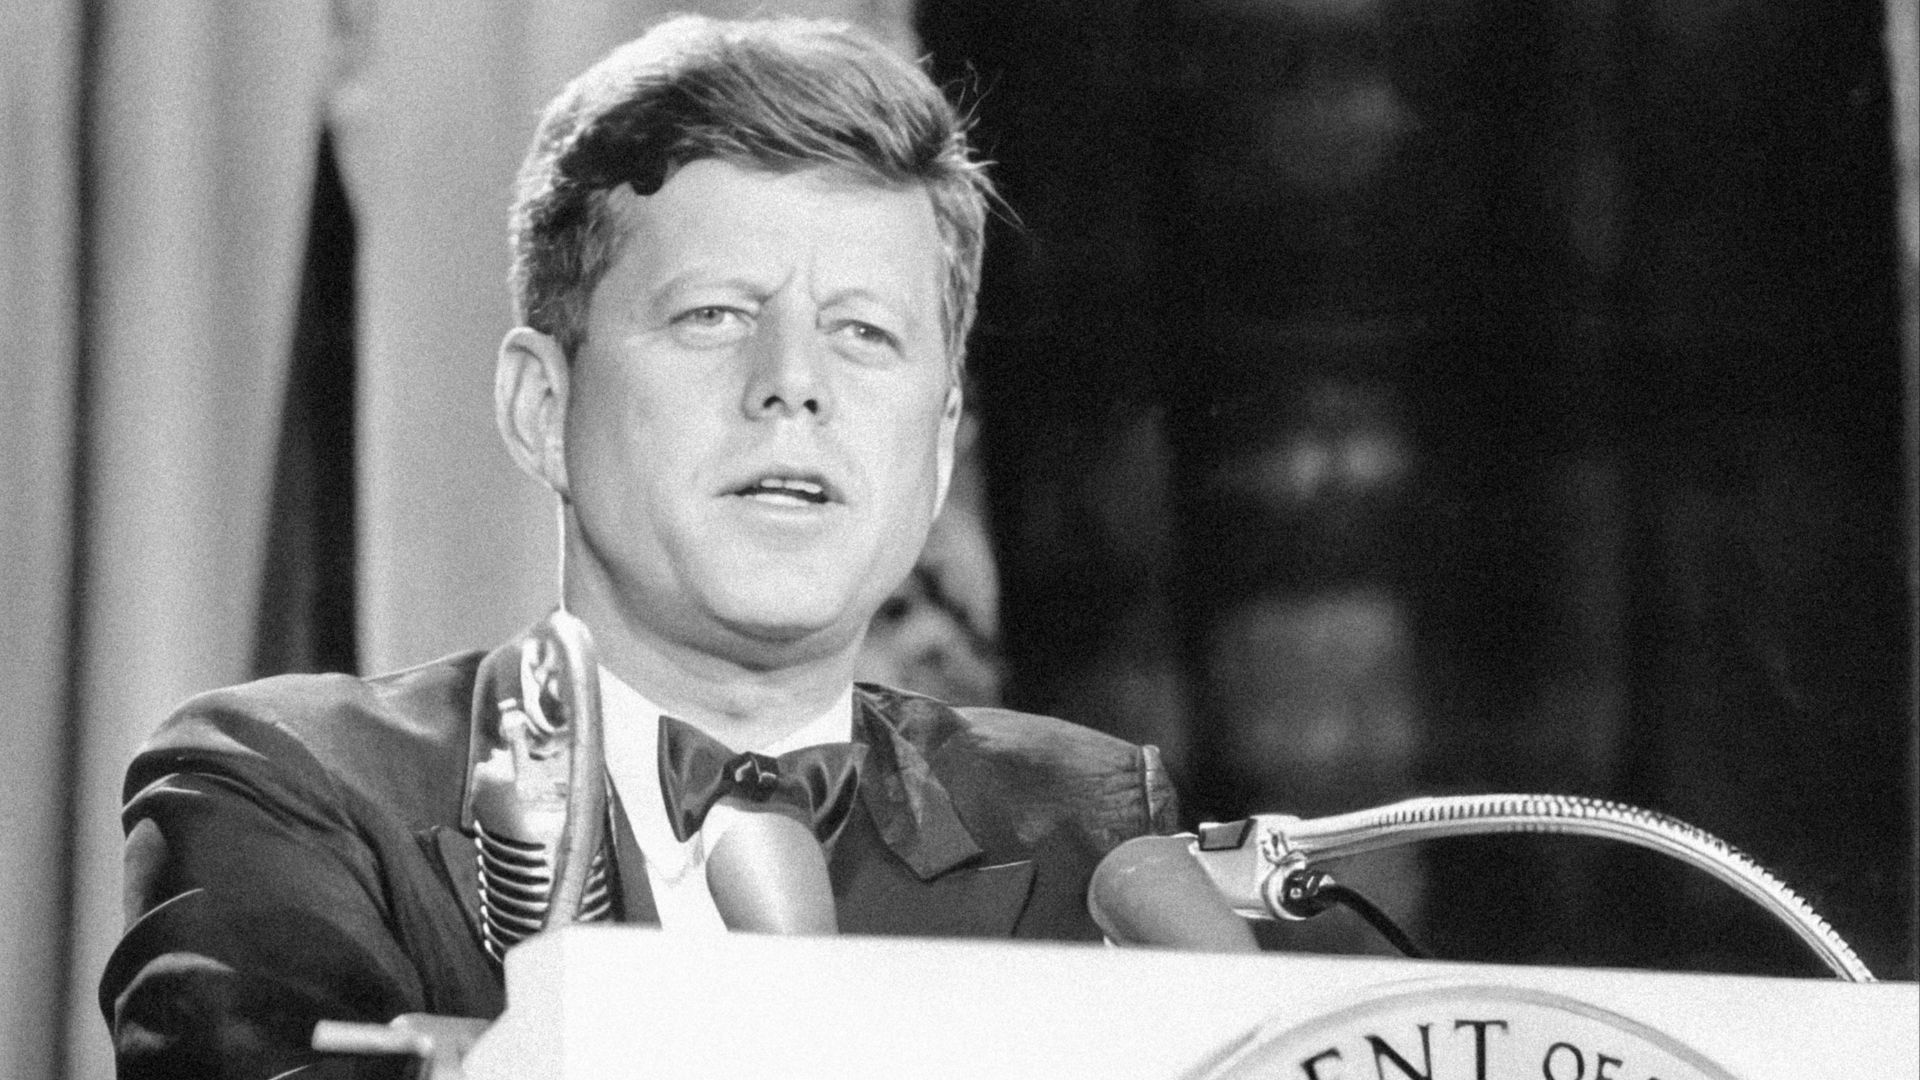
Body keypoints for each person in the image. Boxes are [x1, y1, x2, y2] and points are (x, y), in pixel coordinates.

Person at [99, 15, 1177, 1079]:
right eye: (713, 314)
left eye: (864, 331)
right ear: (541, 408)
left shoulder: (1088, 829)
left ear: (938, 450)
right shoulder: (293, 797)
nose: (793, 383)